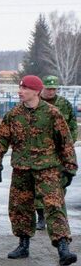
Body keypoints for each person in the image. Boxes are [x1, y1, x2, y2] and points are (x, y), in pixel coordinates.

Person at [0, 75, 77, 266]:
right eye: (20, 88)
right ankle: (23, 245)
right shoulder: (14, 115)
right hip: (21, 168)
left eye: (25, 89)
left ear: (36, 91)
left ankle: (63, 246)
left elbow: (65, 141)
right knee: (19, 207)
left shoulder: (52, 113)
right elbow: (1, 139)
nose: (20, 92)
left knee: (54, 205)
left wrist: (70, 167)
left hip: (47, 168)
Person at [34, 75, 78, 230]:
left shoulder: (63, 105)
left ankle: (54, 216)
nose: (51, 91)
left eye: (54, 89)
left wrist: (68, 145)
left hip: (58, 153)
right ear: (42, 88)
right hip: (37, 152)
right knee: (36, 186)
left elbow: (72, 125)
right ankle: (41, 217)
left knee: (58, 185)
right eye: (48, 88)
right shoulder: (35, 102)